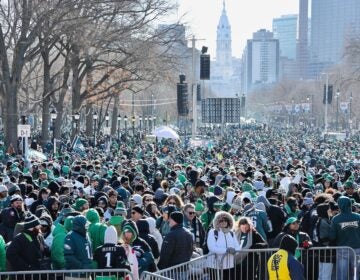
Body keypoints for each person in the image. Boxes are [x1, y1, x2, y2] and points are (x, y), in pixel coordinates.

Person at [329, 196, 360, 279]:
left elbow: (332, 237)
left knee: (342, 274)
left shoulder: (335, 219)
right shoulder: (358, 217)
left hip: (342, 250)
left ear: (339, 206)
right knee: (356, 274)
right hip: (357, 249)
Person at [158, 211, 193, 280]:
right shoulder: (189, 233)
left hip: (172, 271)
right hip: (184, 268)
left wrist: (160, 268)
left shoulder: (171, 235)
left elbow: (165, 254)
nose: (169, 220)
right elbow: (191, 250)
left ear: (174, 220)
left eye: (170, 218)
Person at [206, 211, 240, 280]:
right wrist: (226, 250)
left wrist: (235, 251)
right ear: (216, 222)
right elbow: (211, 247)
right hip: (215, 266)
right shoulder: (213, 232)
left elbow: (237, 246)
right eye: (221, 220)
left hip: (229, 265)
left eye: (225, 220)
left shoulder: (231, 233)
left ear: (229, 221)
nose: (223, 222)